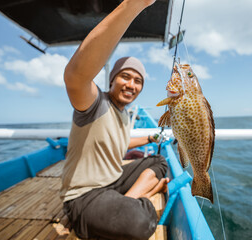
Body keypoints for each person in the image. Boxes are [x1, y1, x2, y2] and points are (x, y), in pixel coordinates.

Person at [60, 0, 169, 239]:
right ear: (112, 80)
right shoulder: (95, 103)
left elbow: (119, 145)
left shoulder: (124, 113)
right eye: (125, 76)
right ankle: (139, 200)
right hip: (85, 195)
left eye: (138, 80)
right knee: (138, 224)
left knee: (159, 161)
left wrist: (150, 137)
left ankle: (129, 199)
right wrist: (132, 5)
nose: (131, 84)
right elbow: (75, 76)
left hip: (113, 180)